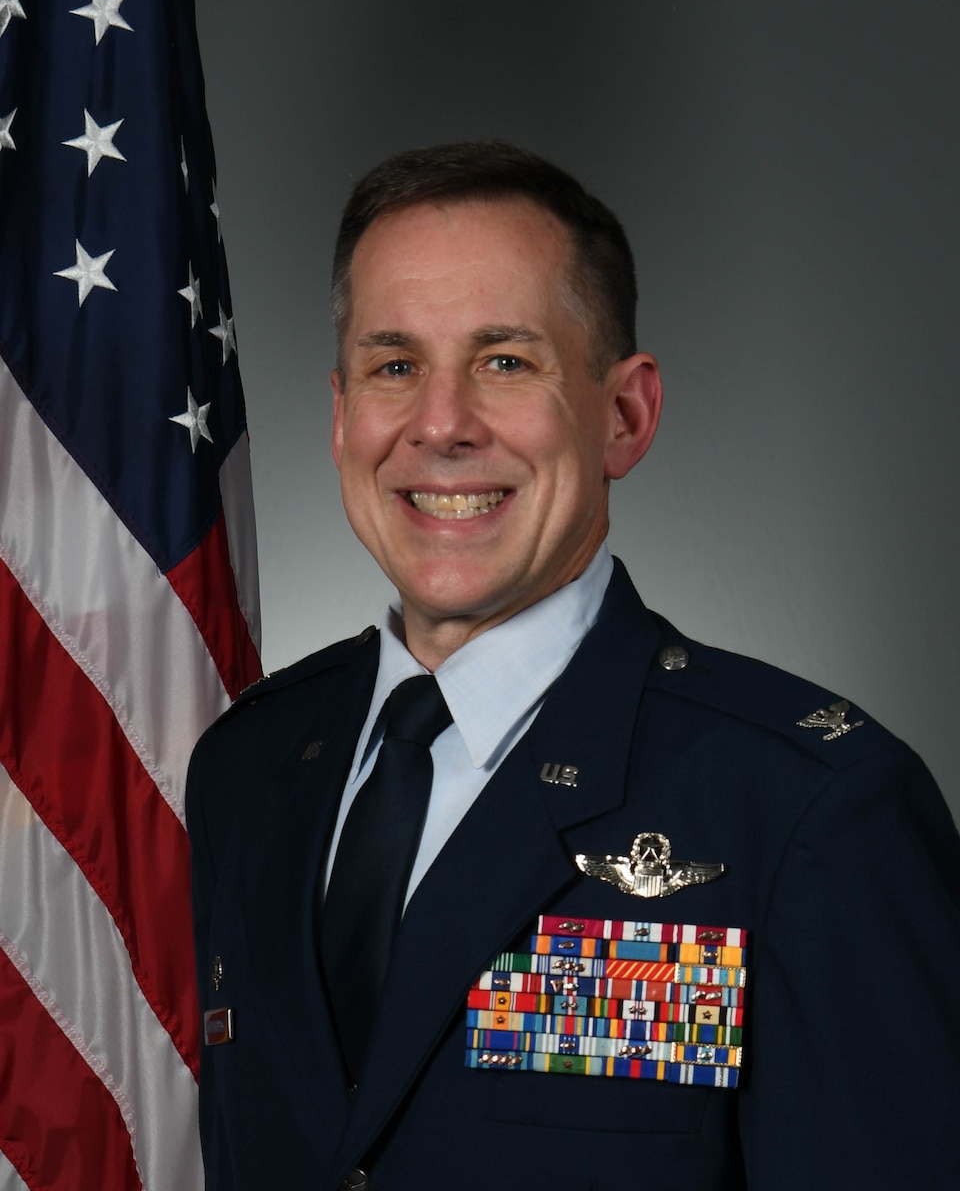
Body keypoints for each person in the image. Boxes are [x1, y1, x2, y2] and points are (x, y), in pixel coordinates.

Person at [186, 141, 960, 1191]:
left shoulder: (806, 808)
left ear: (624, 416)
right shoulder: (248, 767)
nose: (441, 423)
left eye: (506, 361)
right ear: (339, 417)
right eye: (394, 365)